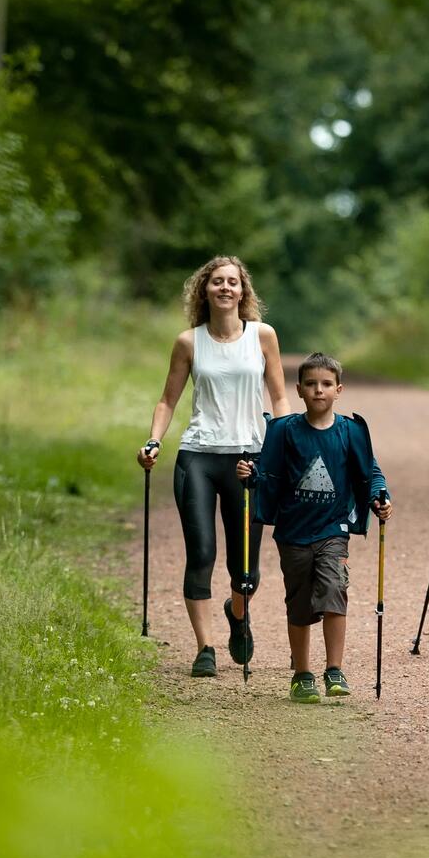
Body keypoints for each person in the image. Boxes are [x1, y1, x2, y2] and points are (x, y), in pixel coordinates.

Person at [138, 256, 289, 678]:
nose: (226, 288)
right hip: (198, 456)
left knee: (246, 569)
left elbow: (279, 398)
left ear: (244, 292)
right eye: (217, 282)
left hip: (248, 457)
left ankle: (237, 614)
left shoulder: (262, 336)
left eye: (233, 282)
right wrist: (153, 440)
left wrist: (281, 443)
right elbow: (167, 400)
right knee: (201, 553)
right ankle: (205, 648)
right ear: (204, 290)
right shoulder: (189, 341)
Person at [238, 352, 391, 703]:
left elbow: (371, 472)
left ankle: (334, 669)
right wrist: (250, 475)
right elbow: (267, 470)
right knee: (300, 603)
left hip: (332, 531)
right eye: (310, 384)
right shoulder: (286, 431)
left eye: (325, 384)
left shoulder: (350, 432)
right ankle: (302, 673)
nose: (318, 390)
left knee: (335, 590)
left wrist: (380, 497)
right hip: (292, 533)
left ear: (339, 389)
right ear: (299, 390)